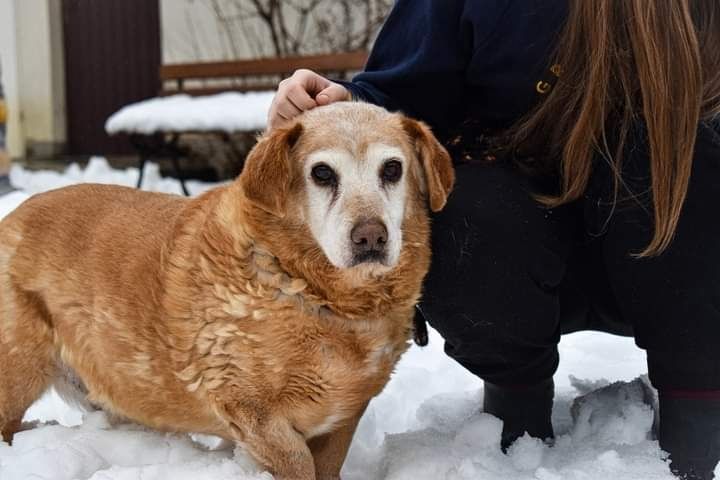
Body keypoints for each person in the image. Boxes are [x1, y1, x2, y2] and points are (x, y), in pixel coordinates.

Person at [268, 1, 720, 478]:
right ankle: (517, 412)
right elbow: (404, 94)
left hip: (678, 258)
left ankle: (695, 421)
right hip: (519, 247)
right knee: (458, 204)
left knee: (687, 150)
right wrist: (341, 103)